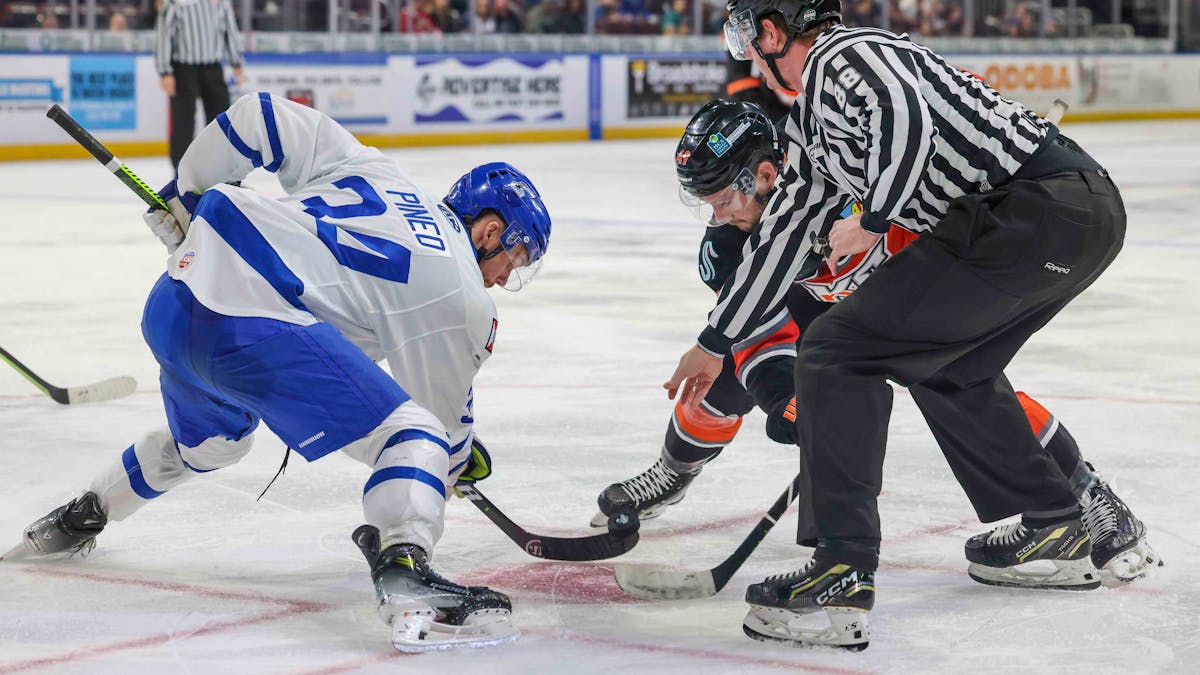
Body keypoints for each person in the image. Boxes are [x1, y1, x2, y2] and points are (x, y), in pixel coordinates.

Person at [663, 1, 1154, 649]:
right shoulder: (814, 122)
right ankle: (1057, 524)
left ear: (774, 31)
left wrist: (874, 216)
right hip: (1061, 215)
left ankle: (842, 567)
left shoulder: (845, 55)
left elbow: (903, 114)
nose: (748, 59)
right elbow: (781, 232)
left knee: (838, 351)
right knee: (949, 365)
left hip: (1035, 209)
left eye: (748, 43)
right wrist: (714, 339)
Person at [10, 93, 552, 653]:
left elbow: (262, 116)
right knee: (414, 441)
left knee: (216, 443)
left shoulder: (381, 172)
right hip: (255, 324)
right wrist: (459, 461)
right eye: (511, 258)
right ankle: (407, 573)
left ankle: (85, 513)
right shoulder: (464, 297)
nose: (498, 279)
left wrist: (190, 192)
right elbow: (441, 432)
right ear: (488, 231)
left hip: (175, 305)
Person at [597, 98, 1156, 591]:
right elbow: (753, 332)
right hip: (817, 330)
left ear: (763, 175)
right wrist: (782, 393)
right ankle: (674, 470)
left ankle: (1087, 493)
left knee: (959, 372)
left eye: (720, 198)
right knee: (716, 381)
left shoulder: (851, 191)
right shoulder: (726, 248)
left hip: (893, 303)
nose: (715, 215)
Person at [154, 0, 246, 169]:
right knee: (183, 121)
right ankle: (181, 171)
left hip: (213, 67)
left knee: (221, 119)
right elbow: (164, 36)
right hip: (183, 68)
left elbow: (230, 30)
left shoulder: (221, 3)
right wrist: (165, 71)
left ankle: (222, 168)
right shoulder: (174, 4)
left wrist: (237, 63)